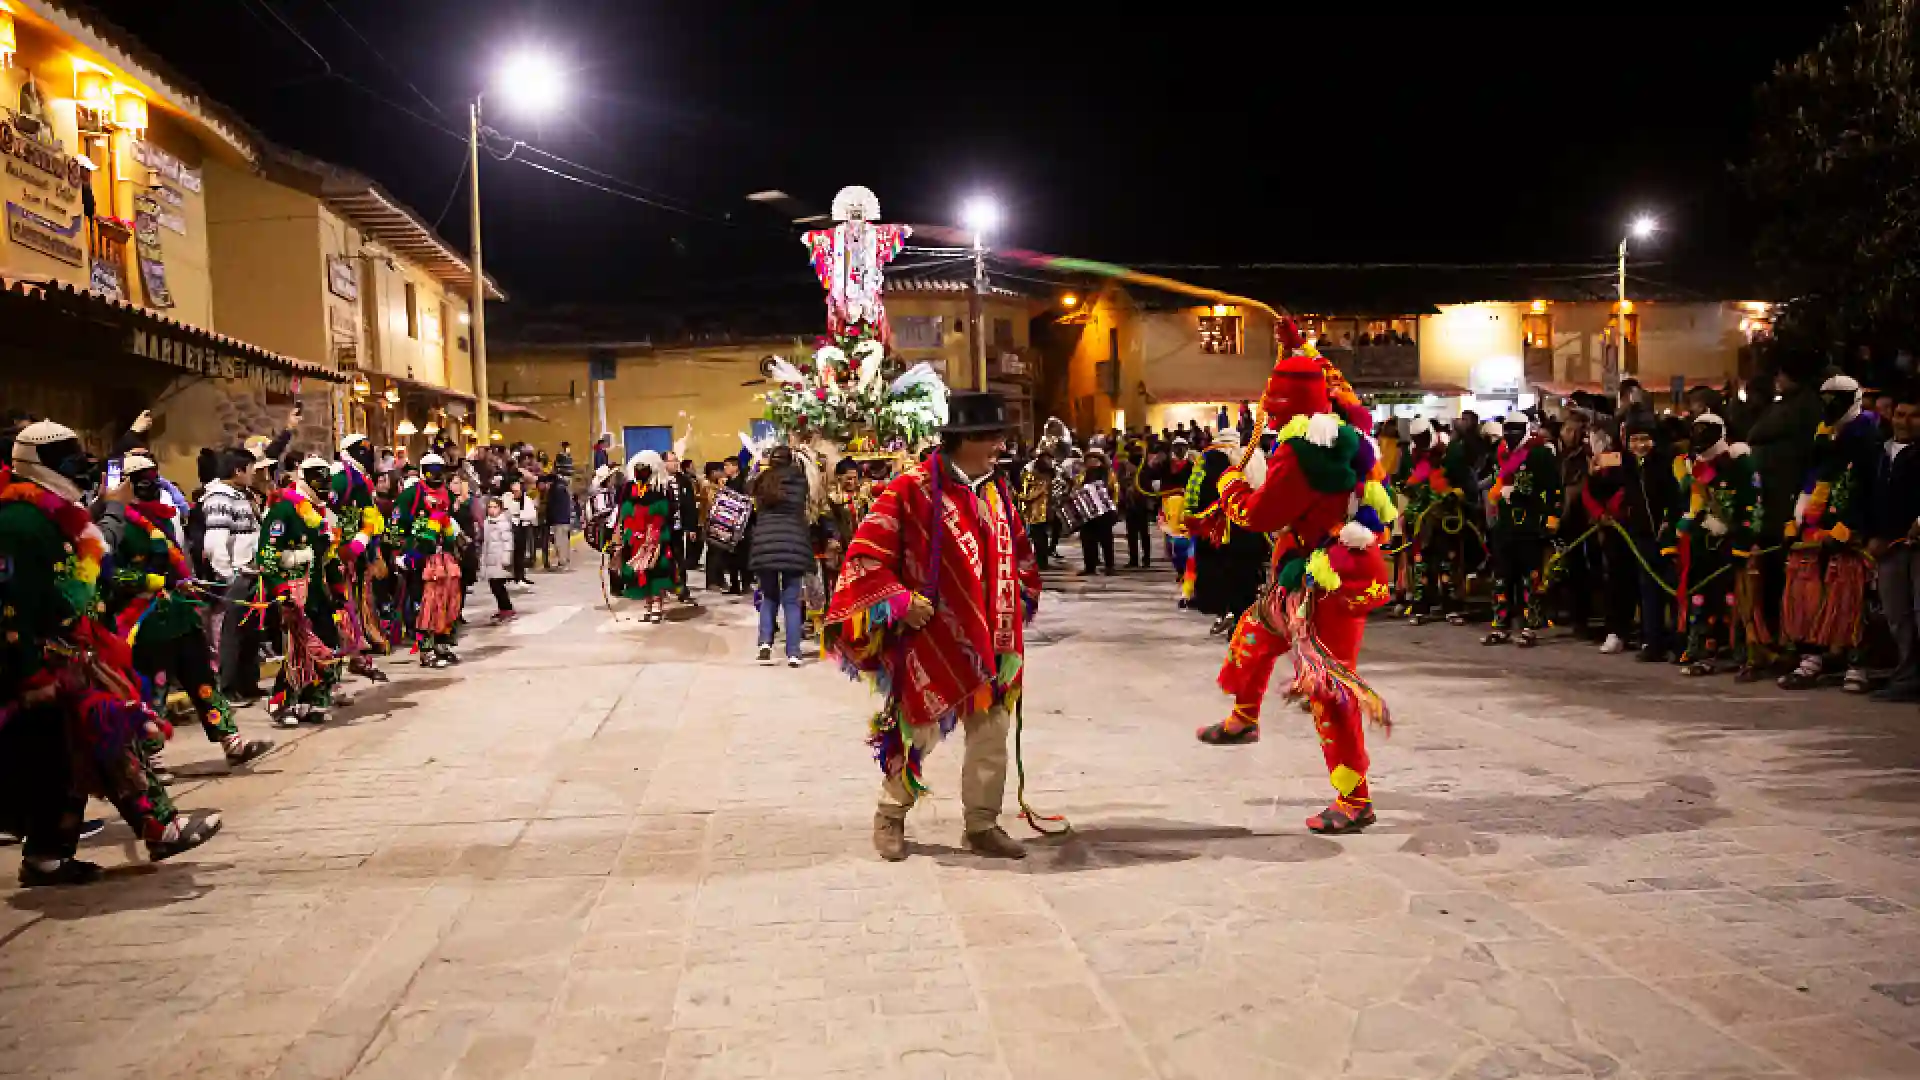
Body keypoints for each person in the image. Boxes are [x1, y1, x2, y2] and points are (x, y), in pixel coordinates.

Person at [1192, 326, 1396, 836]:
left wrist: (1229, 483)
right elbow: (1334, 381)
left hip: (1328, 581)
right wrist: (1299, 347)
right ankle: (1244, 718)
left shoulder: (1302, 453)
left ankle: (1355, 800)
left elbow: (1261, 513)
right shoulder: (1346, 423)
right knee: (1255, 635)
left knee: (1328, 688)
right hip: (1305, 572)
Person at [2, 422, 222, 884]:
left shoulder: (55, 512)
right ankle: (155, 828)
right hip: (45, 660)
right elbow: (18, 600)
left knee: (77, 756)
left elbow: (88, 568)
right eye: (68, 457)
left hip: (74, 649)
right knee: (96, 745)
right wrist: (30, 674)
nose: (79, 466)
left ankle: (51, 854)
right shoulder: (19, 520)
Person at [825, 391, 1041, 861]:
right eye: (993, 438)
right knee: (915, 731)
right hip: (931, 638)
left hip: (995, 638)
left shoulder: (997, 490)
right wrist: (899, 601)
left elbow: (1020, 550)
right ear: (964, 440)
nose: (1000, 447)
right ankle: (890, 814)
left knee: (992, 734)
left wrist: (1020, 594)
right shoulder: (912, 488)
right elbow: (864, 556)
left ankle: (982, 824)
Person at [97, 453, 275, 768]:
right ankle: (149, 759)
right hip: (141, 622)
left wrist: (183, 581)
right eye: (139, 479)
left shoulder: (164, 517)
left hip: (179, 614)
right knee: (153, 690)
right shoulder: (113, 524)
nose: (149, 484)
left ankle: (231, 742)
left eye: (152, 476)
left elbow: (175, 559)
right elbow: (106, 570)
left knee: (202, 679)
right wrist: (147, 581)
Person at [1779, 374, 1883, 692]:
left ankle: (1857, 664)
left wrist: (1851, 526)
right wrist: (1798, 518)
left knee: (1852, 598)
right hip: (1819, 524)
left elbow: (1869, 485)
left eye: (1835, 400)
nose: (1829, 406)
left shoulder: (1867, 434)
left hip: (1852, 531)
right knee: (1809, 595)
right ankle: (1812, 658)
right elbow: (1814, 476)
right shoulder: (1823, 435)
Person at [1672, 414, 1758, 677]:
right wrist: (1694, 523)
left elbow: (1751, 504)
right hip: (1705, 543)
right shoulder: (1699, 467)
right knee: (1703, 598)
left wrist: (1742, 541)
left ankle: (1740, 652)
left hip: (1733, 544)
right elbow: (1695, 502)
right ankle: (1705, 650)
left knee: (1736, 600)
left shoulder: (1739, 463)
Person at [1483, 416, 1560, 647]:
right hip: (1504, 524)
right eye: (1507, 430)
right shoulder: (1500, 453)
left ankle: (1531, 626)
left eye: (1517, 430)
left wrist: (1552, 518)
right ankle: (1501, 625)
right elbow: (1495, 480)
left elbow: (1554, 488)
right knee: (1501, 577)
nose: (1511, 434)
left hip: (1530, 523)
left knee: (1531, 578)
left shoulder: (1540, 453)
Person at [201, 448, 268, 701]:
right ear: (238, 471)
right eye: (250, 469)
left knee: (251, 633)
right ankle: (229, 687)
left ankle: (248, 682)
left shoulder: (242, 495)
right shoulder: (220, 497)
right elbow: (215, 541)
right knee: (233, 633)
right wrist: (229, 575)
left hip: (251, 572)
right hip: (238, 575)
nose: (253, 475)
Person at [1184, 428, 1266, 634]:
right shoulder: (1254, 458)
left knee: (1222, 571)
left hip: (1220, 527)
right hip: (1252, 524)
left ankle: (1226, 612)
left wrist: (1193, 515)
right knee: (1247, 574)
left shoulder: (1210, 459)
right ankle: (1243, 620)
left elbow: (1196, 491)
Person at [1867, 387, 1920, 701]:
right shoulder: (1879, 452)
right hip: (1887, 546)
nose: (1905, 422)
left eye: (1914, 416)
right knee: (1897, 616)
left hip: (1916, 545)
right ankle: (1906, 676)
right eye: (1900, 415)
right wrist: (1872, 534)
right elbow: (1868, 496)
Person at [749, 445, 814, 666]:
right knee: (792, 601)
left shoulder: (762, 480)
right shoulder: (800, 481)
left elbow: (748, 490)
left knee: (769, 596)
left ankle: (765, 643)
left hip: (765, 543)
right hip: (794, 543)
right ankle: (794, 653)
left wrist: (758, 468)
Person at [400, 453, 464, 668]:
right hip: (419, 556)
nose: (436, 476)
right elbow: (398, 527)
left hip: (444, 557)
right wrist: (406, 552)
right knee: (424, 604)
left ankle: (442, 645)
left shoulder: (448, 495)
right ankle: (425, 650)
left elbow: (449, 521)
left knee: (446, 600)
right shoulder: (411, 495)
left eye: (439, 471)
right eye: (431, 471)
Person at [613, 451, 679, 622]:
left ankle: (657, 604)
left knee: (656, 570)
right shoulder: (629, 488)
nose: (640, 473)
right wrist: (620, 534)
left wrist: (655, 533)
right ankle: (648, 604)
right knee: (639, 571)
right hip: (635, 537)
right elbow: (621, 512)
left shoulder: (662, 488)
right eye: (638, 469)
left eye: (644, 469)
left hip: (655, 537)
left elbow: (669, 512)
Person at [1074, 447, 1120, 576]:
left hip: (1104, 512)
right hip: (1087, 513)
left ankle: (1109, 566)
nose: (1092, 461)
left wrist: (1113, 506)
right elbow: (1076, 488)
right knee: (1087, 540)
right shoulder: (1083, 474)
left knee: (1106, 540)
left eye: (1095, 458)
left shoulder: (1108, 474)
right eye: (1089, 459)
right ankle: (1090, 567)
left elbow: (1114, 490)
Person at [481, 496, 518, 622]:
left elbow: (508, 541)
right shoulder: (487, 522)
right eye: (490, 507)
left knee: (498, 585)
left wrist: (506, 558)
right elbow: (486, 543)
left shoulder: (502, 522)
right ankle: (503, 608)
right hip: (490, 559)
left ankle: (507, 609)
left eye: (495, 507)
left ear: (500, 509)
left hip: (499, 559)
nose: (492, 510)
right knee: (493, 585)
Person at [1020, 450, 1056, 571]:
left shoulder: (1052, 475)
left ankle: (1043, 561)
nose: (1049, 462)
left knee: (1043, 538)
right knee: (1038, 538)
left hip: (1048, 512)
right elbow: (1025, 495)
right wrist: (1040, 488)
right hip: (1035, 512)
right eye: (1047, 459)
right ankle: (1041, 562)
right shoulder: (1030, 475)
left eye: (1050, 459)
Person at [546, 470, 574, 570]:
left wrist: (550, 519)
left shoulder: (554, 489)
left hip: (558, 520)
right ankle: (564, 561)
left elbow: (552, 506)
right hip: (565, 519)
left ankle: (562, 562)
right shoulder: (564, 487)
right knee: (564, 541)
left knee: (559, 542)